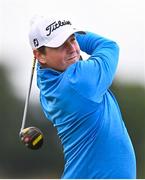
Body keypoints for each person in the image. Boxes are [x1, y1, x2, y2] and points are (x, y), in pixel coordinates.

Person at [28, 15, 136, 179]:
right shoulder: (79, 81)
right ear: (40, 56)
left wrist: (58, 34)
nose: (72, 48)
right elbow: (109, 46)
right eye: (60, 45)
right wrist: (70, 34)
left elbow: (54, 62)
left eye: (72, 39)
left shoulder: (46, 86)